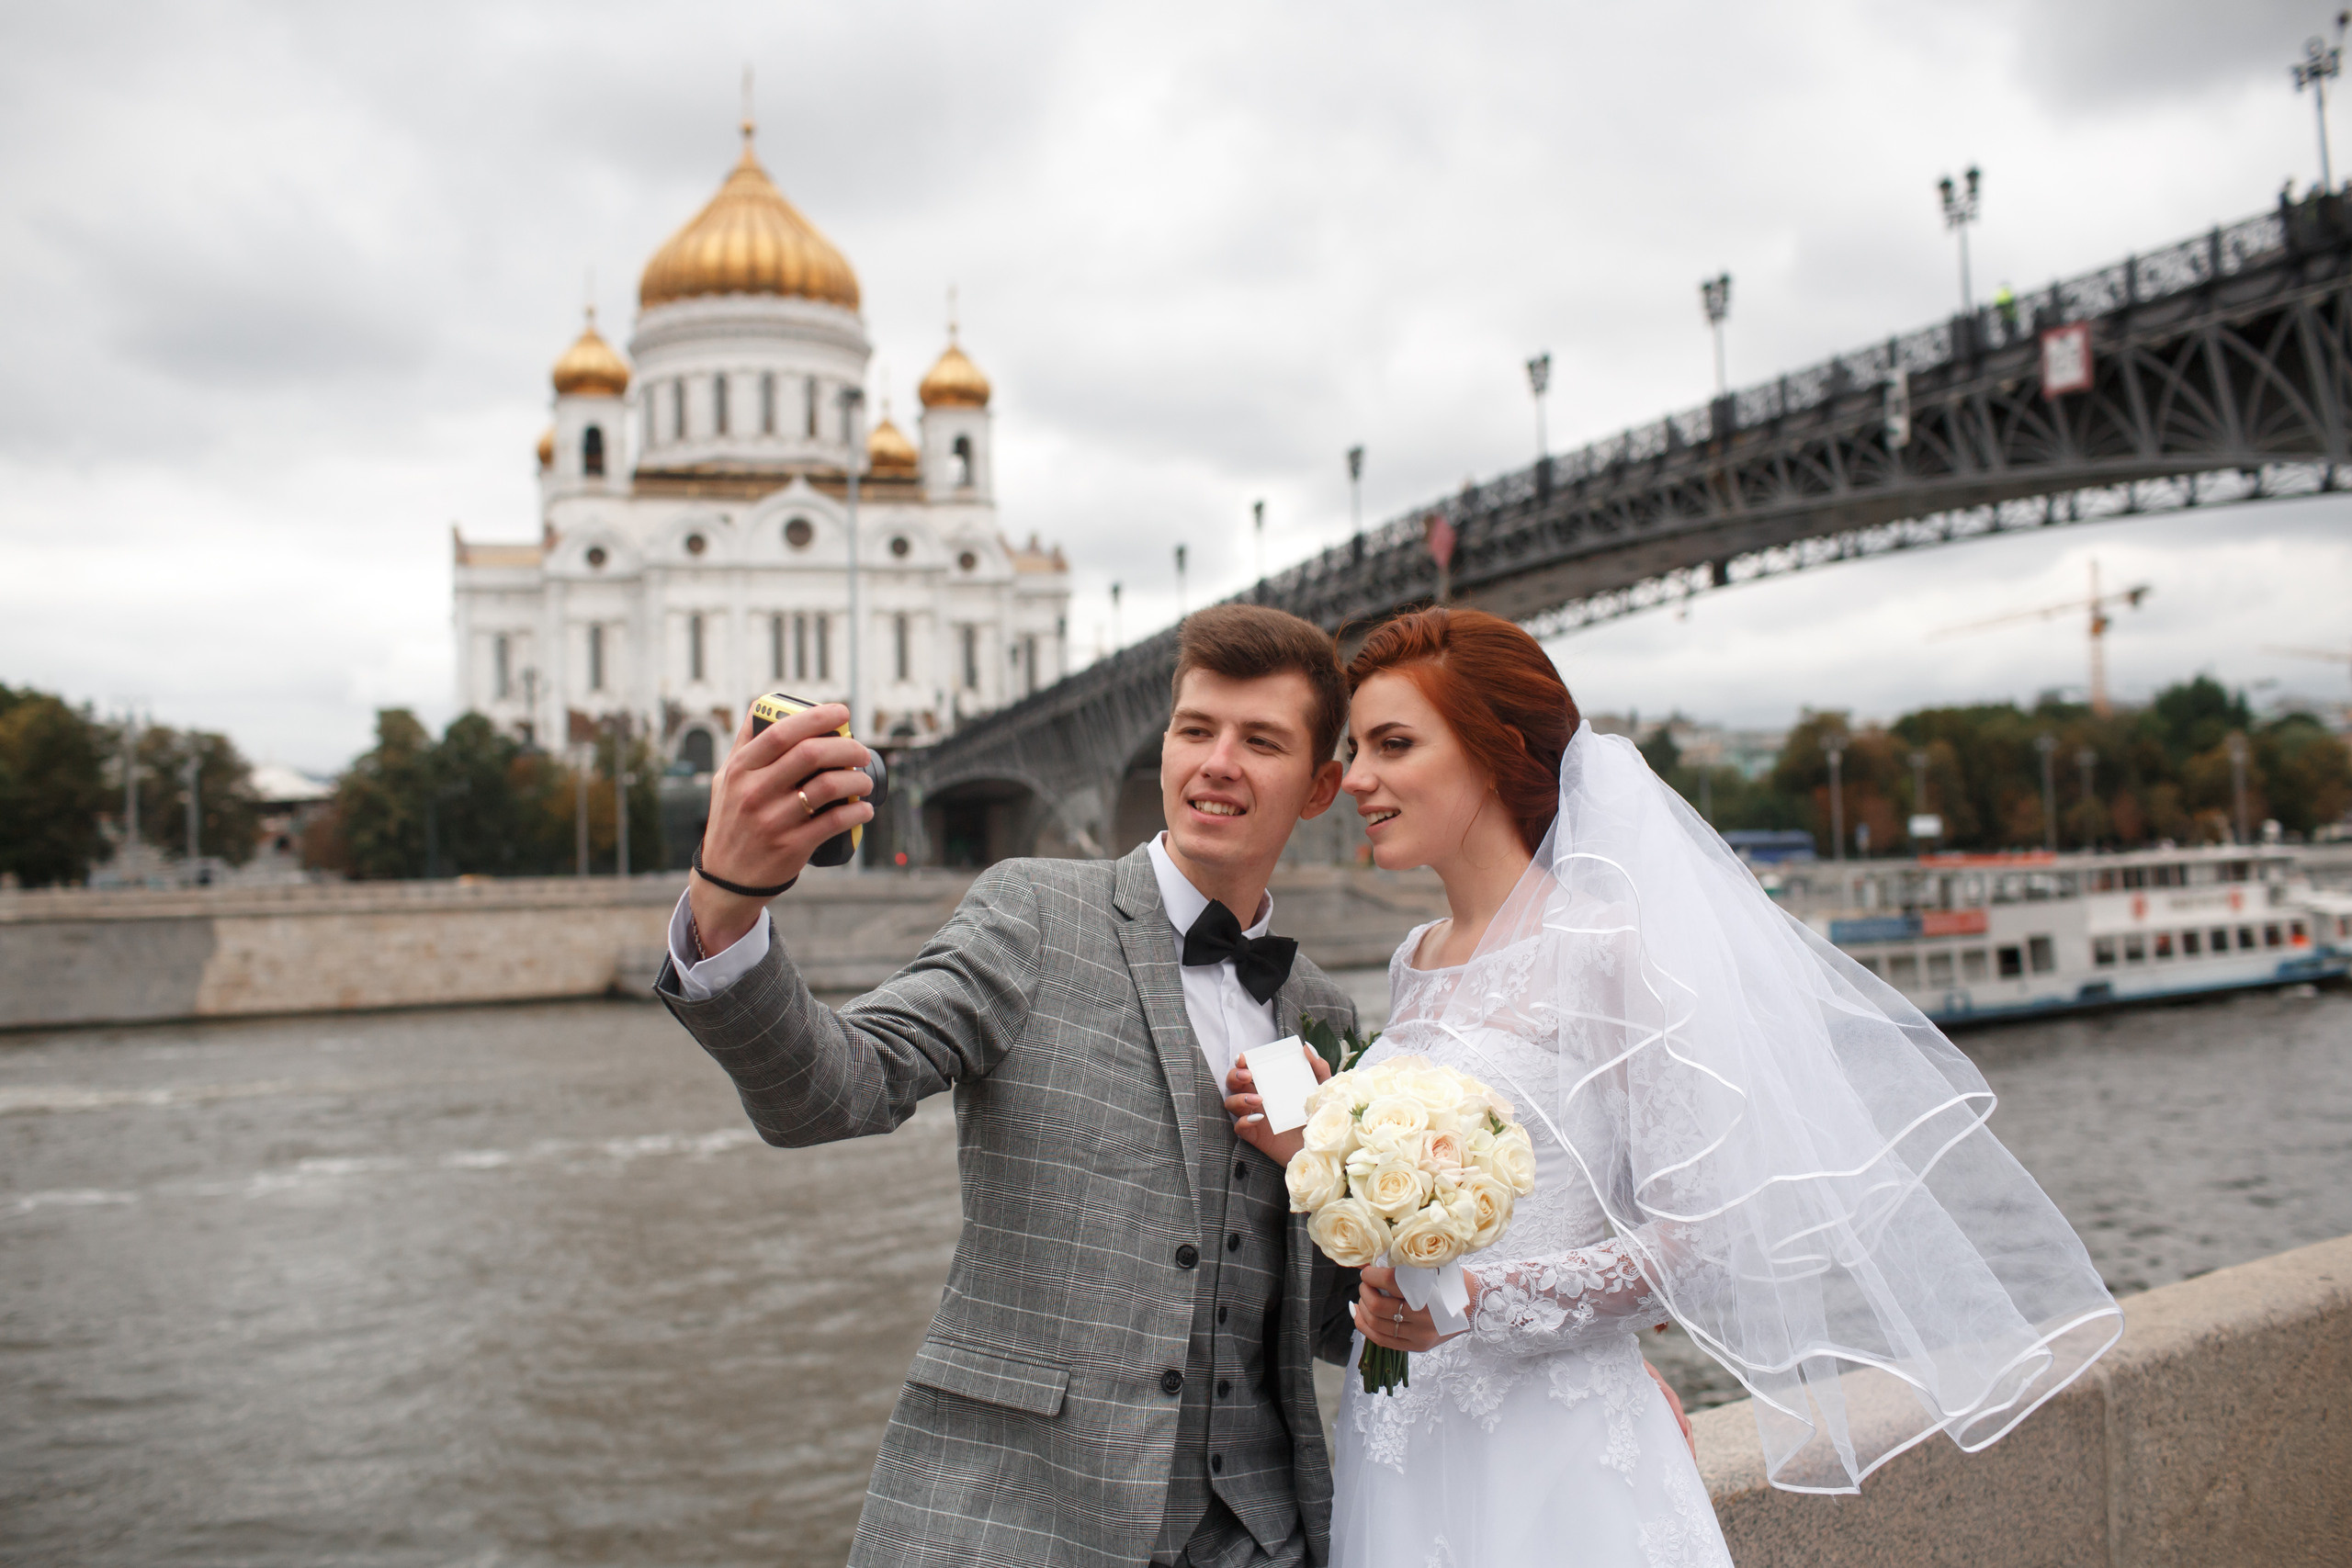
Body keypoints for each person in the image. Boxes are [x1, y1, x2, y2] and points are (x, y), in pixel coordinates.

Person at [1233, 607, 2120, 1568]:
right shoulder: (1414, 961)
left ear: (1496, 754)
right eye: (1356, 747)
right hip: (1401, 1434)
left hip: (1553, 1445)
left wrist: (1478, 1300)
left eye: (1392, 745)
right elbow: (1436, 1216)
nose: (1355, 778)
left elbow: (1698, 1246)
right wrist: (1324, 1147)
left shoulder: (1608, 950)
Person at [657, 603, 1370, 1568]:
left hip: (1262, 1535)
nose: (1216, 763)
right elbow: (833, 1092)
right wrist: (726, 902)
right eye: (1195, 730)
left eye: (1261, 742)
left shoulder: (1325, 1014)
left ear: (1321, 785)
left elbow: (1335, 1325)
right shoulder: (1032, 912)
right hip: (1023, 1524)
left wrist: (1347, 1191)